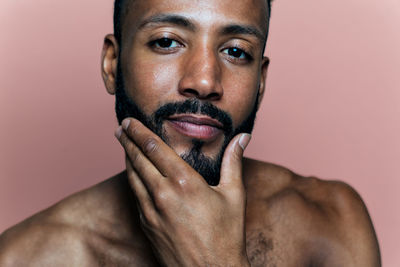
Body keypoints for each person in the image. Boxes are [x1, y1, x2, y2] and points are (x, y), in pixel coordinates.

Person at [0, 0, 381, 265]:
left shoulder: (331, 221)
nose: (204, 80)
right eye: (166, 41)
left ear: (261, 83)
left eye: (235, 51)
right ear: (112, 65)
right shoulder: (24, 258)